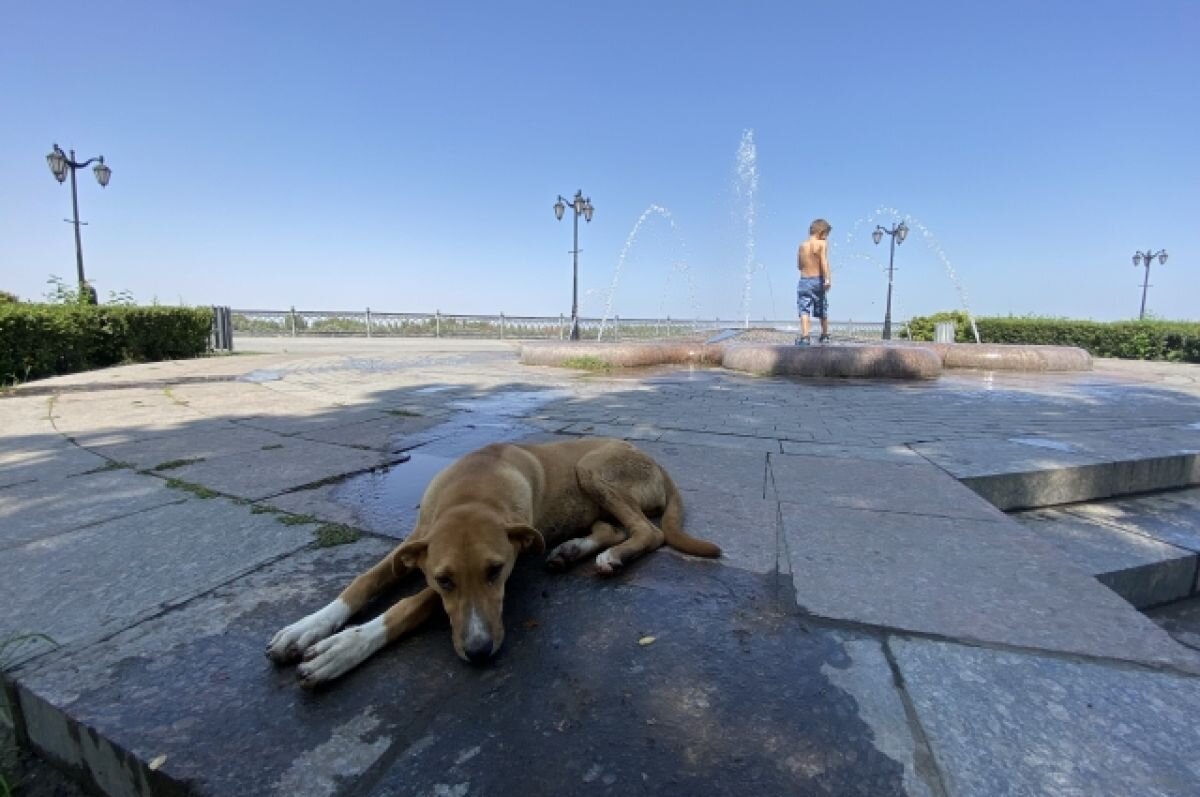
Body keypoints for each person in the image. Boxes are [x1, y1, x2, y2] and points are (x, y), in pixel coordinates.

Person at [796, 218, 832, 345]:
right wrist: (827, 279)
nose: (826, 237)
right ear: (821, 232)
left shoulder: (802, 245)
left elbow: (799, 265)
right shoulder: (822, 244)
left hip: (804, 281)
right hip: (818, 280)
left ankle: (805, 337)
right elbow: (824, 261)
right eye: (826, 234)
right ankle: (825, 334)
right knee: (822, 307)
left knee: (804, 309)